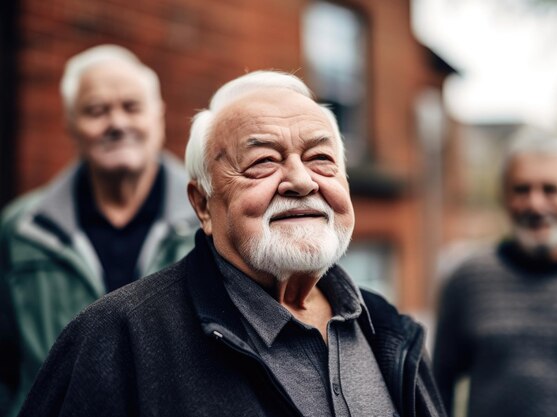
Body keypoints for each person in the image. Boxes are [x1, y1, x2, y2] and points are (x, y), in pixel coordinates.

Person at [16, 70, 445, 417]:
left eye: (321, 159)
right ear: (203, 205)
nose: (300, 181)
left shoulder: (387, 329)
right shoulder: (117, 336)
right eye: (262, 162)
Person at [0, 45, 196, 416]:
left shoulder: (210, 221)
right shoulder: (21, 229)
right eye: (96, 110)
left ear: (159, 116)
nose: (117, 123)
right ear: (70, 123)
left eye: (132, 107)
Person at [432, 127, 557, 417]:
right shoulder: (468, 279)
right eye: (521, 189)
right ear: (503, 196)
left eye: (550, 189)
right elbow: (437, 389)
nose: (535, 204)